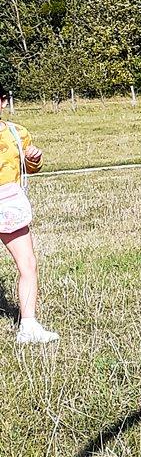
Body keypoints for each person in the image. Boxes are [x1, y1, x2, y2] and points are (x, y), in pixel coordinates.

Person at [0, 114, 58, 345]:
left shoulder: (18, 132)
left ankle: (29, 326)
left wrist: (34, 158)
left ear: (3, 101)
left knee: (28, 264)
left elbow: (31, 167)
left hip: (9, 202)